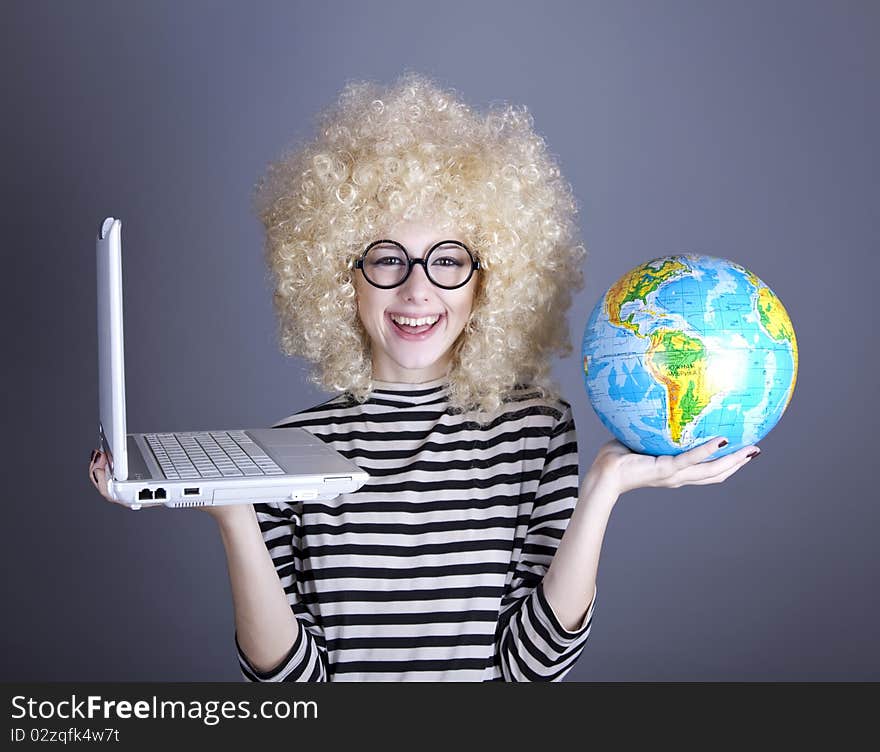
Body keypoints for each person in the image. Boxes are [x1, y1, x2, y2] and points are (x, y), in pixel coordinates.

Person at [88, 72, 760, 681]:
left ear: (486, 281)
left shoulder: (534, 431)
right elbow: (289, 685)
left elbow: (535, 666)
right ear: (340, 276)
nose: (417, 291)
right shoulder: (286, 453)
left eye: (447, 261)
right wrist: (231, 507)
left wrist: (604, 488)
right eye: (387, 259)